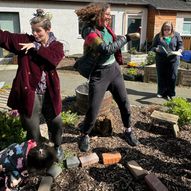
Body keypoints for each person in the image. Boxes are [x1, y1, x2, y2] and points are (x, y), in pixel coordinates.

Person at [0, 9, 64, 162]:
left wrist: (37, 48)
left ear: (48, 29)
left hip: (50, 92)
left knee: (56, 122)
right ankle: (37, 151)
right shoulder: (26, 41)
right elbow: (5, 38)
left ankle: (57, 146)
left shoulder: (57, 46)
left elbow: (53, 59)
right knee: (31, 126)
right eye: (33, 31)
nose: (35, 34)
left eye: (38, 31)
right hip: (31, 93)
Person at [75, 3, 140, 152]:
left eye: (110, 15)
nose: (109, 17)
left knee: (124, 103)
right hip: (99, 74)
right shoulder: (89, 31)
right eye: (107, 14)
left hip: (114, 70)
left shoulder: (106, 28)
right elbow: (105, 49)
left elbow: (112, 46)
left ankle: (128, 130)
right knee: (93, 108)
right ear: (98, 14)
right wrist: (127, 38)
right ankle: (85, 134)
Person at [151, 21, 183, 99]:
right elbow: (152, 47)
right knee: (161, 76)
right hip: (161, 60)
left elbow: (181, 46)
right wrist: (156, 49)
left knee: (172, 77)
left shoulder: (176, 35)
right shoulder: (158, 36)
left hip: (173, 59)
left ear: (172, 29)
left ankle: (171, 93)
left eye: (169, 29)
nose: (167, 30)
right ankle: (161, 92)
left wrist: (179, 50)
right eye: (165, 29)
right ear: (163, 28)